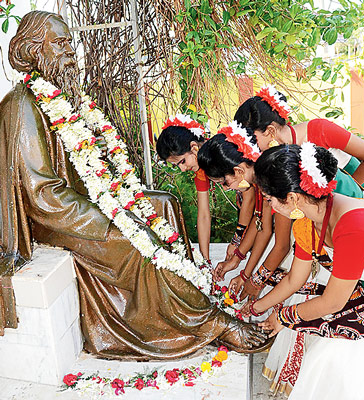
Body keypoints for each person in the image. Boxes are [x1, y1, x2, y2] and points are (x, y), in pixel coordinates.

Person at [0, 10, 271, 356]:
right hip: (53, 214)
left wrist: (118, 198)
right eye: (61, 43)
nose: (71, 51)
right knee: (135, 238)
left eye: (71, 42)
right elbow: (42, 195)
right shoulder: (22, 104)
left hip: (78, 198)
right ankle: (208, 322)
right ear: (35, 49)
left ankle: (193, 290)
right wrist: (113, 214)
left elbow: (91, 166)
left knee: (163, 205)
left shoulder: (62, 98)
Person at [252, 143, 364, 400]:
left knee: (328, 362)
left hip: (357, 302)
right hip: (360, 299)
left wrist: (284, 316)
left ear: (292, 198)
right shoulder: (308, 222)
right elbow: (296, 278)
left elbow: (333, 301)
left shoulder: (353, 223)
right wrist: (256, 308)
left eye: (270, 199)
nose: (270, 207)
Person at [197, 122, 293, 303]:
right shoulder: (258, 177)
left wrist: (255, 281)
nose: (225, 189)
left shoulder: (274, 177)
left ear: (238, 171)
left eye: (223, 183)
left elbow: (282, 245)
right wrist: (239, 266)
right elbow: (262, 226)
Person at [235, 85, 364, 197]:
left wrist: (350, 193)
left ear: (270, 131)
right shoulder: (275, 155)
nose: (250, 147)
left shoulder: (320, 130)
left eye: (252, 139)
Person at [156, 118, 256, 263]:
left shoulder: (220, 154)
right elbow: (203, 214)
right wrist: (205, 261)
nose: (182, 169)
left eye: (182, 162)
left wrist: (236, 241)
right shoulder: (201, 170)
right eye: (176, 166)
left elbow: (249, 196)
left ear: (194, 147)